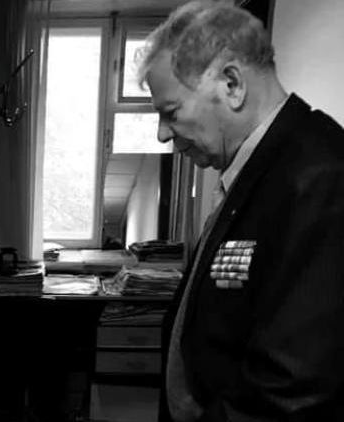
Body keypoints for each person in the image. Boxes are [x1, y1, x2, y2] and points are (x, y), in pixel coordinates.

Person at [138, 1, 344, 421]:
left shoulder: (321, 177)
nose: (161, 135)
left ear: (231, 84)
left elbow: (290, 388)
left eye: (170, 112)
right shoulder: (257, 169)